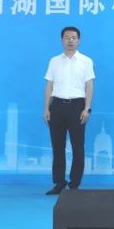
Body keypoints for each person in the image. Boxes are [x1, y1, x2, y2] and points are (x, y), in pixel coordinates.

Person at [43, 26, 95, 195]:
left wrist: (87, 108)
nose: (70, 40)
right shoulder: (54, 61)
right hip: (57, 106)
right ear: (62, 41)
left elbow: (89, 86)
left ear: (79, 40)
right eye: (67, 38)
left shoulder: (86, 61)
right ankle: (59, 183)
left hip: (77, 106)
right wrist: (46, 108)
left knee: (77, 146)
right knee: (57, 147)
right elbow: (49, 85)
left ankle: (74, 184)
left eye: (73, 38)